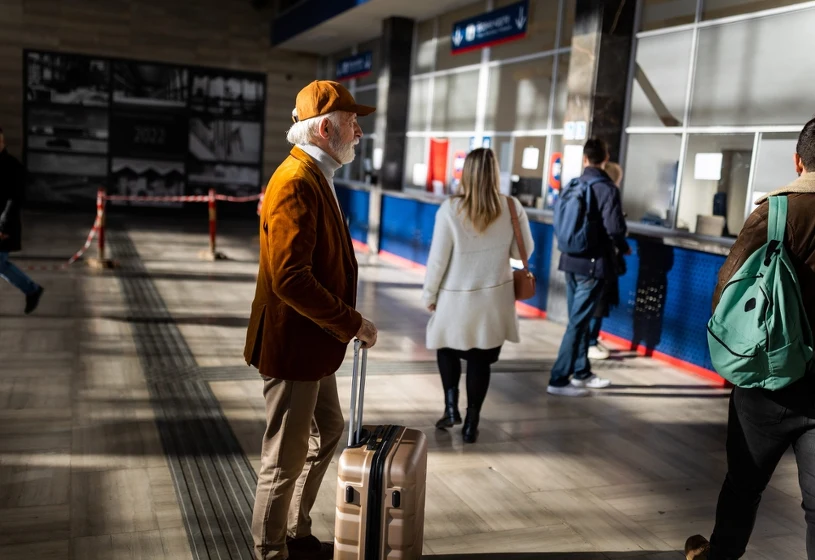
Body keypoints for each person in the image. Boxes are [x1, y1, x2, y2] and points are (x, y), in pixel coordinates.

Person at [243, 80, 378, 560]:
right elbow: (290, 279)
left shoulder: (317, 174)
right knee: (284, 457)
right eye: (352, 122)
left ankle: (295, 530)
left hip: (313, 343)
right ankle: (271, 549)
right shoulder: (296, 181)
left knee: (330, 429)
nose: (359, 132)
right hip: (294, 347)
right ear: (325, 129)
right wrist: (352, 322)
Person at [685, 118, 815, 560]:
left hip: (767, 382)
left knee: (743, 486)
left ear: (797, 161)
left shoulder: (775, 213)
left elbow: (728, 287)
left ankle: (721, 556)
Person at [422, 148, 534, 444]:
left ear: (466, 173)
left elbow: (438, 260)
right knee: (480, 360)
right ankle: (472, 424)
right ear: (495, 173)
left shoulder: (450, 209)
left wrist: (430, 294)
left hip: (455, 299)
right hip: (494, 301)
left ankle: (450, 409)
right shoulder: (511, 206)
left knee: (446, 347)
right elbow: (523, 251)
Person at [548, 139, 629, 397]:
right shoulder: (607, 188)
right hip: (592, 266)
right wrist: (623, 246)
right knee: (577, 322)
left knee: (579, 320)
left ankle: (582, 372)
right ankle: (559, 378)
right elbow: (615, 228)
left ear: (585, 159)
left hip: (569, 261)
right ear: (606, 157)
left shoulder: (573, 185)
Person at [0, 126, 44, 314]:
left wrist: (3, 225)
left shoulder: (13, 166)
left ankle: (32, 289)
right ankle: (32, 289)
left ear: (3, 141)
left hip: (4, 223)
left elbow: (15, 199)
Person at [587, 161, 624, 361]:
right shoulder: (609, 192)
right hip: (601, 258)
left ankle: (588, 341)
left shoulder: (585, 188)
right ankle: (590, 342)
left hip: (582, 257)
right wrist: (623, 245)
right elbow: (614, 229)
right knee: (598, 303)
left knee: (587, 304)